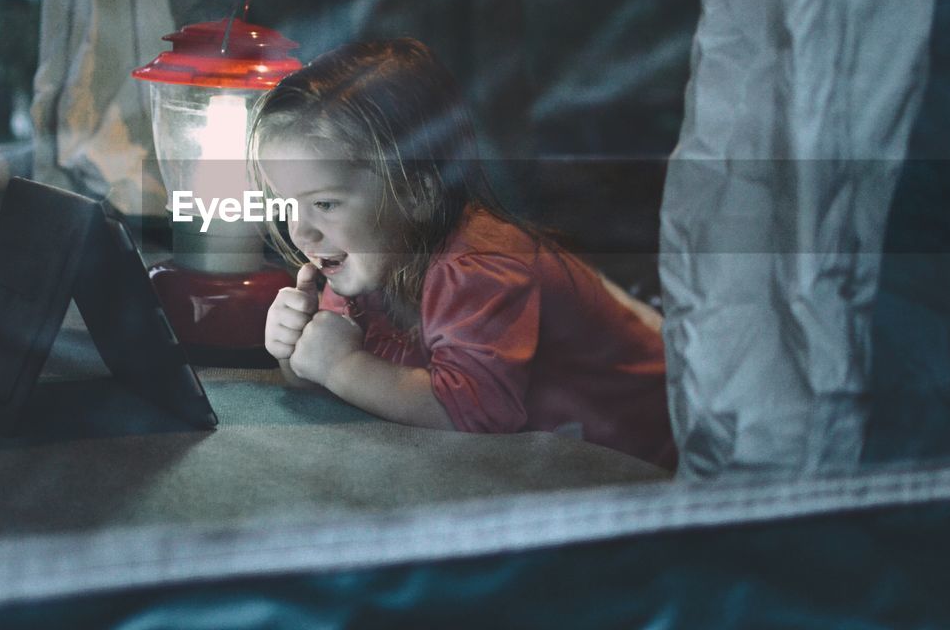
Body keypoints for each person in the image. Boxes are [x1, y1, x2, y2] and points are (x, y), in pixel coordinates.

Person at [250, 39, 676, 469]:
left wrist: (340, 365)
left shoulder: (479, 268)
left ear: (417, 193)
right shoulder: (365, 259)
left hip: (642, 458)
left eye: (324, 204)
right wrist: (297, 349)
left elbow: (474, 415)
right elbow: (342, 373)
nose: (300, 231)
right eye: (288, 206)